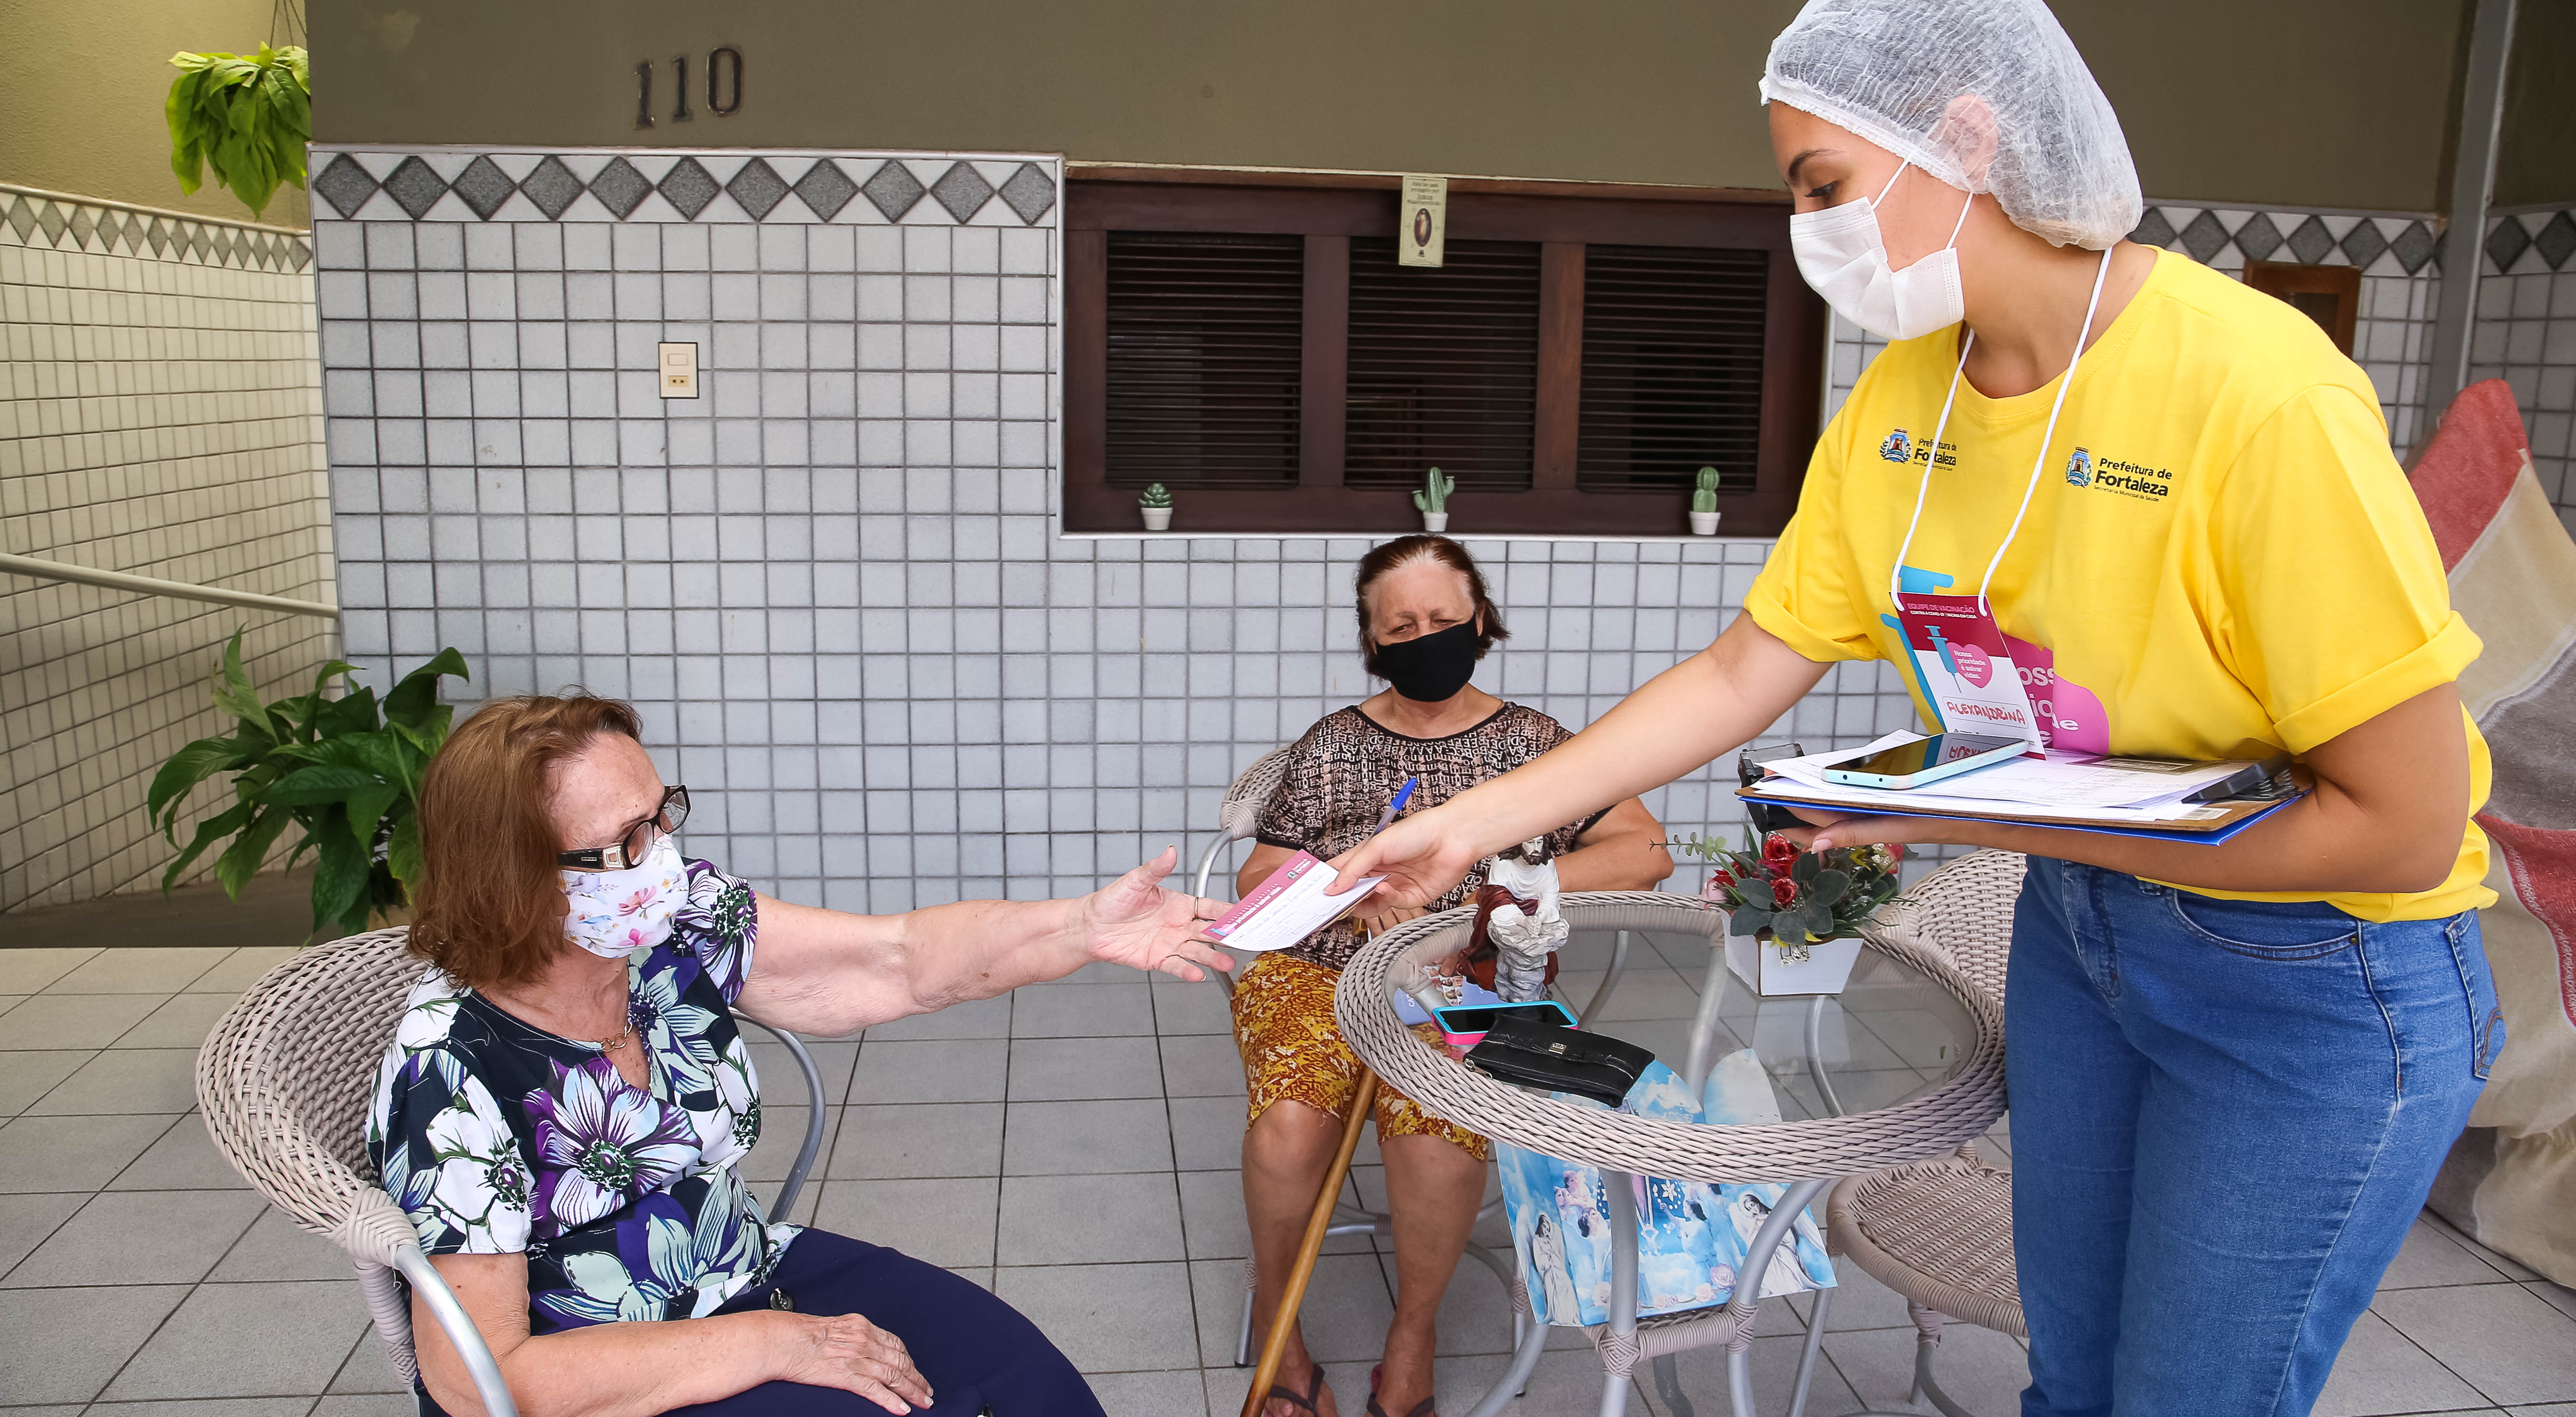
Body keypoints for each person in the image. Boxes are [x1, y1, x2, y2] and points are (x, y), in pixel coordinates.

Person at [1336, 4, 2500, 1415]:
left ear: (1965, 138)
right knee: (2070, 1378)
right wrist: (1467, 824)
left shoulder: (2254, 396)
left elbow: (2404, 821)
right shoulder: (1902, 400)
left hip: (2318, 978)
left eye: (1824, 186)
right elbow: (1739, 670)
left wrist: (1957, 806)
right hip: (2086, 932)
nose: (1809, 232)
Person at [368, 694, 1234, 1417]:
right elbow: (476, 1379)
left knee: (1027, 1380)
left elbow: (897, 957)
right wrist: (769, 1342)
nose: (662, 858)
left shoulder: (673, 922)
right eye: (627, 843)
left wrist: (1080, 927)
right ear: (514, 876)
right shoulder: (452, 1067)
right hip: (602, 1364)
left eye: (662, 814)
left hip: (740, 1262)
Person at [1229, 535, 1672, 1417]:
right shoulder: (1333, 745)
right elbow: (1257, 878)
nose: (1425, 636)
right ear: (1373, 639)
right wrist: (1348, 902)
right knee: (1288, 1126)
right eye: (1402, 625)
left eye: (1442, 619)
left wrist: (1489, 892)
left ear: (1479, 620)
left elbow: (1645, 850)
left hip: (1472, 979)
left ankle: (1412, 1339)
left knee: (1435, 1135)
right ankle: (1283, 1339)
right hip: (1320, 973)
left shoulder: (1536, 745)